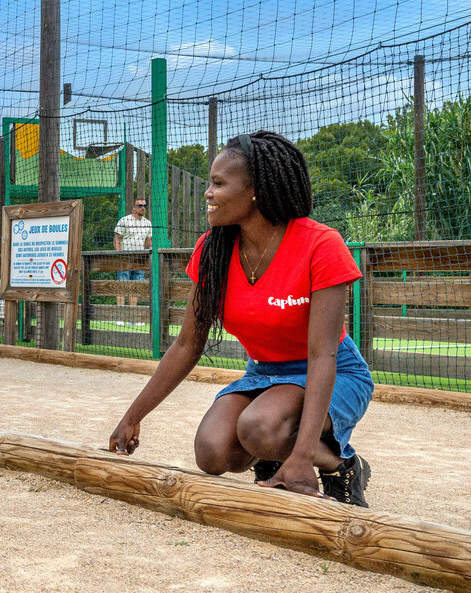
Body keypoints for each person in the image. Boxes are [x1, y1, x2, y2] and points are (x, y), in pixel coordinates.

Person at [108, 131, 374, 506]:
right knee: (212, 451)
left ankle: (340, 466)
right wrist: (133, 416)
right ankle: (274, 453)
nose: (208, 193)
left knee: (259, 428)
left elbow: (322, 357)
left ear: (255, 190)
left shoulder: (321, 244)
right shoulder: (213, 249)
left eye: (218, 183)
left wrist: (300, 459)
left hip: (333, 373)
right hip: (264, 373)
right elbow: (187, 344)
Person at [113, 198, 151, 316]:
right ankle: (120, 315)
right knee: (122, 286)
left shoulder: (147, 223)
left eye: (144, 205)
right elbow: (116, 239)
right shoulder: (125, 220)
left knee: (136, 287)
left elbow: (148, 242)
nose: (142, 207)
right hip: (125, 257)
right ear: (134, 207)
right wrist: (119, 254)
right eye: (139, 205)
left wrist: (150, 250)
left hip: (139, 259)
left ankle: (133, 316)